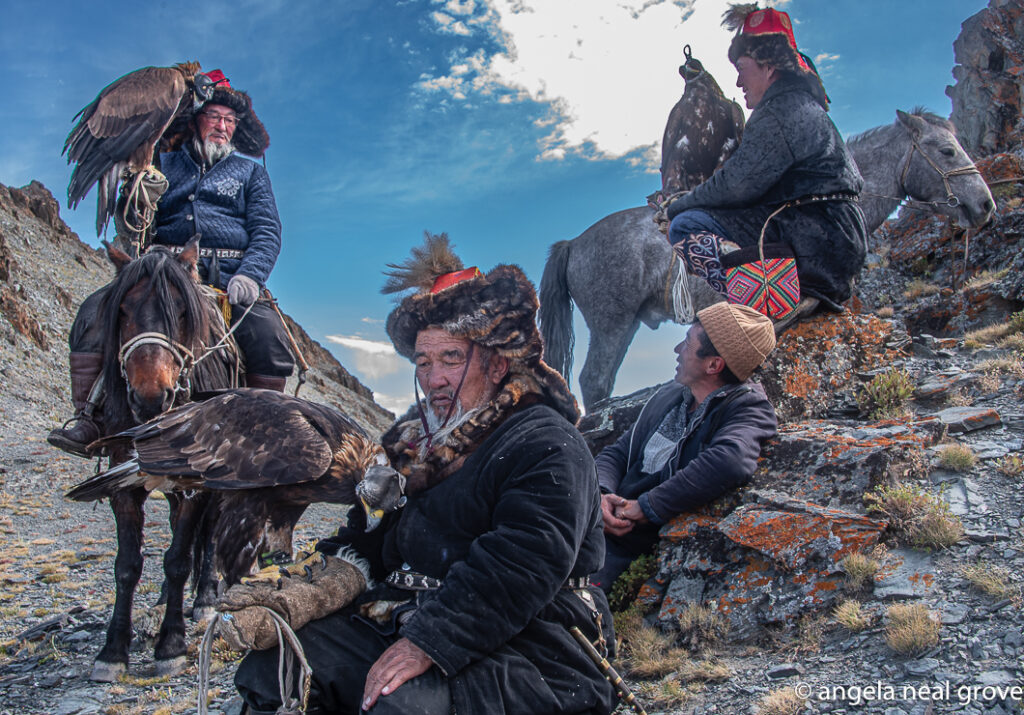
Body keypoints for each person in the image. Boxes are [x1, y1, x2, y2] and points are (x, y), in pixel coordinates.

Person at [233, 234, 619, 715]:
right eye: (423, 361)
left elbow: (523, 563)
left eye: (451, 359)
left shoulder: (546, 442)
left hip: (535, 636)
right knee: (276, 666)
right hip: (411, 612)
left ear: (498, 364)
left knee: (400, 703)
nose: (434, 378)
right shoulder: (411, 445)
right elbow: (369, 531)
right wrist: (318, 583)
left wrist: (428, 643)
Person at [48, 70, 294, 457]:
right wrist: (133, 194)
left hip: (228, 275)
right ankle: (89, 417)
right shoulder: (162, 161)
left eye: (230, 121)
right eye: (214, 116)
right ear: (196, 120)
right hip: (162, 268)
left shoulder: (251, 173)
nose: (223, 126)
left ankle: (261, 433)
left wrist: (250, 275)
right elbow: (133, 223)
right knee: (96, 311)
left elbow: (267, 231)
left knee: (271, 340)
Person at [665, 4, 867, 332]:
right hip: (831, 236)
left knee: (687, 225)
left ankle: (769, 300)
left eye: (743, 67)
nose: (738, 79)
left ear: (769, 67)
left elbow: (737, 185)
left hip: (816, 240)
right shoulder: (801, 105)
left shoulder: (778, 111)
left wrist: (680, 203)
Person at [592, 302, 779, 593]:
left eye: (688, 343)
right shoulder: (672, 395)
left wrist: (646, 506)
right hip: (598, 526)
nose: (677, 349)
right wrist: (602, 495)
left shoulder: (746, 408)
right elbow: (617, 453)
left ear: (713, 365)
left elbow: (730, 459)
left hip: (632, 547)